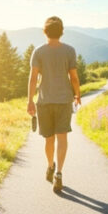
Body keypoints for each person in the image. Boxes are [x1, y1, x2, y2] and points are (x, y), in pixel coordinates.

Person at [26, 16, 81, 193]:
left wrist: (30, 101)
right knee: (62, 138)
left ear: (45, 31)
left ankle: (50, 166)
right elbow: (73, 77)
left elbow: (33, 78)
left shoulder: (39, 52)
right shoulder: (70, 51)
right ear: (61, 31)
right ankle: (58, 173)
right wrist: (77, 95)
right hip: (64, 100)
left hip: (44, 101)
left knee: (49, 139)